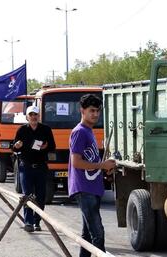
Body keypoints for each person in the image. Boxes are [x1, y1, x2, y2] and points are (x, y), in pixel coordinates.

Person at [68, 94, 116, 257]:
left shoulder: (89, 131)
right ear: (82, 111)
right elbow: (76, 162)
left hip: (92, 187)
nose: (95, 114)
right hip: (84, 188)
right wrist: (102, 165)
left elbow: (89, 160)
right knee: (98, 233)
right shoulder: (80, 132)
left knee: (88, 235)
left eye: (98, 111)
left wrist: (104, 168)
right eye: (92, 111)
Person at [13, 105, 56, 233]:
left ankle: (37, 221)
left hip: (41, 167)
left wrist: (45, 148)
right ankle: (28, 222)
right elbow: (14, 148)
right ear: (27, 117)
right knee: (27, 195)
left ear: (39, 116)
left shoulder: (46, 129)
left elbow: (53, 146)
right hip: (26, 167)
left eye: (35, 115)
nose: (33, 117)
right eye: (31, 115)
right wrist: (16, 145)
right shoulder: (21, 130)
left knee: (40, 196)